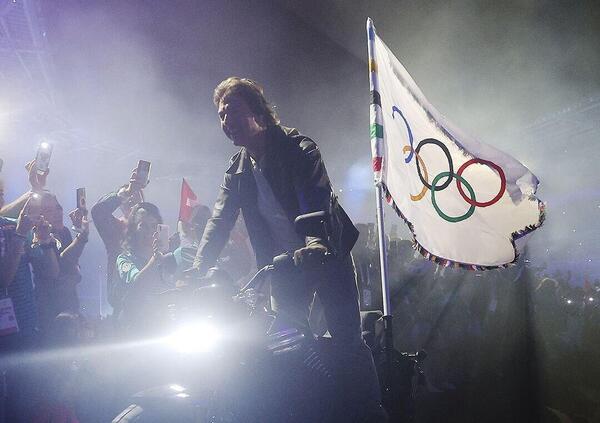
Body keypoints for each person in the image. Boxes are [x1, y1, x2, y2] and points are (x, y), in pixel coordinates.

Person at [191, 77, 385, 422]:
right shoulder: (237, 171)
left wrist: (314, 240)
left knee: (348, 342)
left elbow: (314, 193)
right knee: (284, 342)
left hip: (325, 257)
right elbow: (219, 219)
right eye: (221, 116)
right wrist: (197, 266)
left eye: (233, 112)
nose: (226, 122)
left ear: (258, 111)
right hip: (284, 267)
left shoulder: (298, 148)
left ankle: (372, 413)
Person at [91, 169, 145, 315]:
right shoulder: (116, 228)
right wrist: (125, 192)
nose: (132, 200)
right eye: (129, 197)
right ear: (121, 204)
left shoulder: (152, 227)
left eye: (136, 196)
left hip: (148, 298)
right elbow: (98, 211)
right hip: (123, 299)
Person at [115, 202, 175, 331]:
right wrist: (155, 259)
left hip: (166, 327)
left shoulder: (169, 258)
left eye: (154, 226)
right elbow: (136, 282)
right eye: (143, 226)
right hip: (137, 328)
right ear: (133, 229)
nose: (150, 231)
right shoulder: (125, 259)